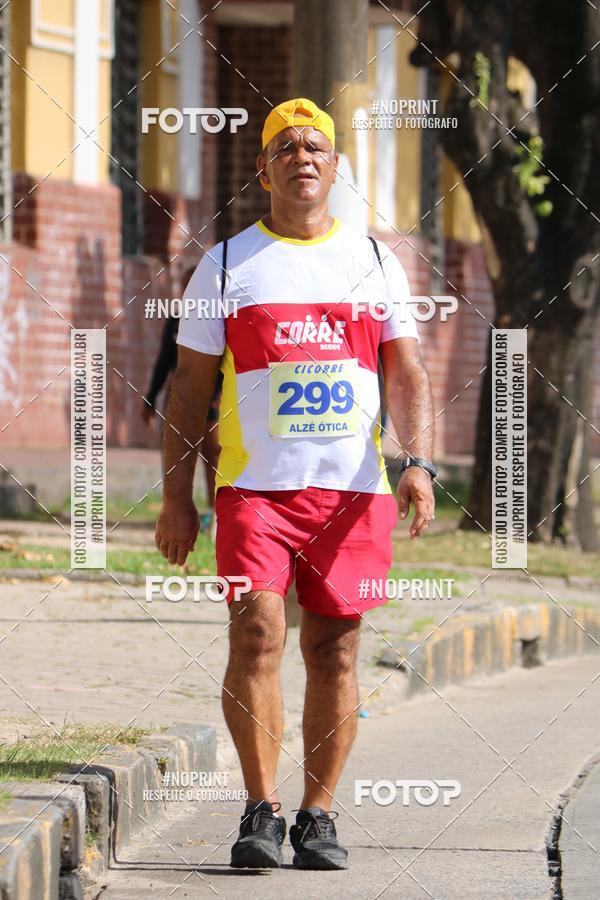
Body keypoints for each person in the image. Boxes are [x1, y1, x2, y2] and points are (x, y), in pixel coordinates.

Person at [155, 98, 436, 871]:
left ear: (335, 168)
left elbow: (407, 371)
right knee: (255, 632)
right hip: (254, 491)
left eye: (316, 147)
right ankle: (260, 809)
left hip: (352, 494)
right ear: (264, 167)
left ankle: (318, 813)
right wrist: (177, 496)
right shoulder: (224, 265)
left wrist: (416, 462)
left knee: (336, 651)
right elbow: (187, 389)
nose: (302, 157)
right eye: (286, 147)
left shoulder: (376, 261)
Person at [142, 265, 222, 535]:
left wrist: (220, 396)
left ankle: (214, 511)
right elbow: (163, 363)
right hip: (180, 398)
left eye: (194, 284)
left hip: (212, 399)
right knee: (178, 452)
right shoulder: (176, 320)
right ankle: (176, 506)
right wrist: (150, 398)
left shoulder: (218, 315)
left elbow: (224, 361)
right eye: (186, 286)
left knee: (213, 456)